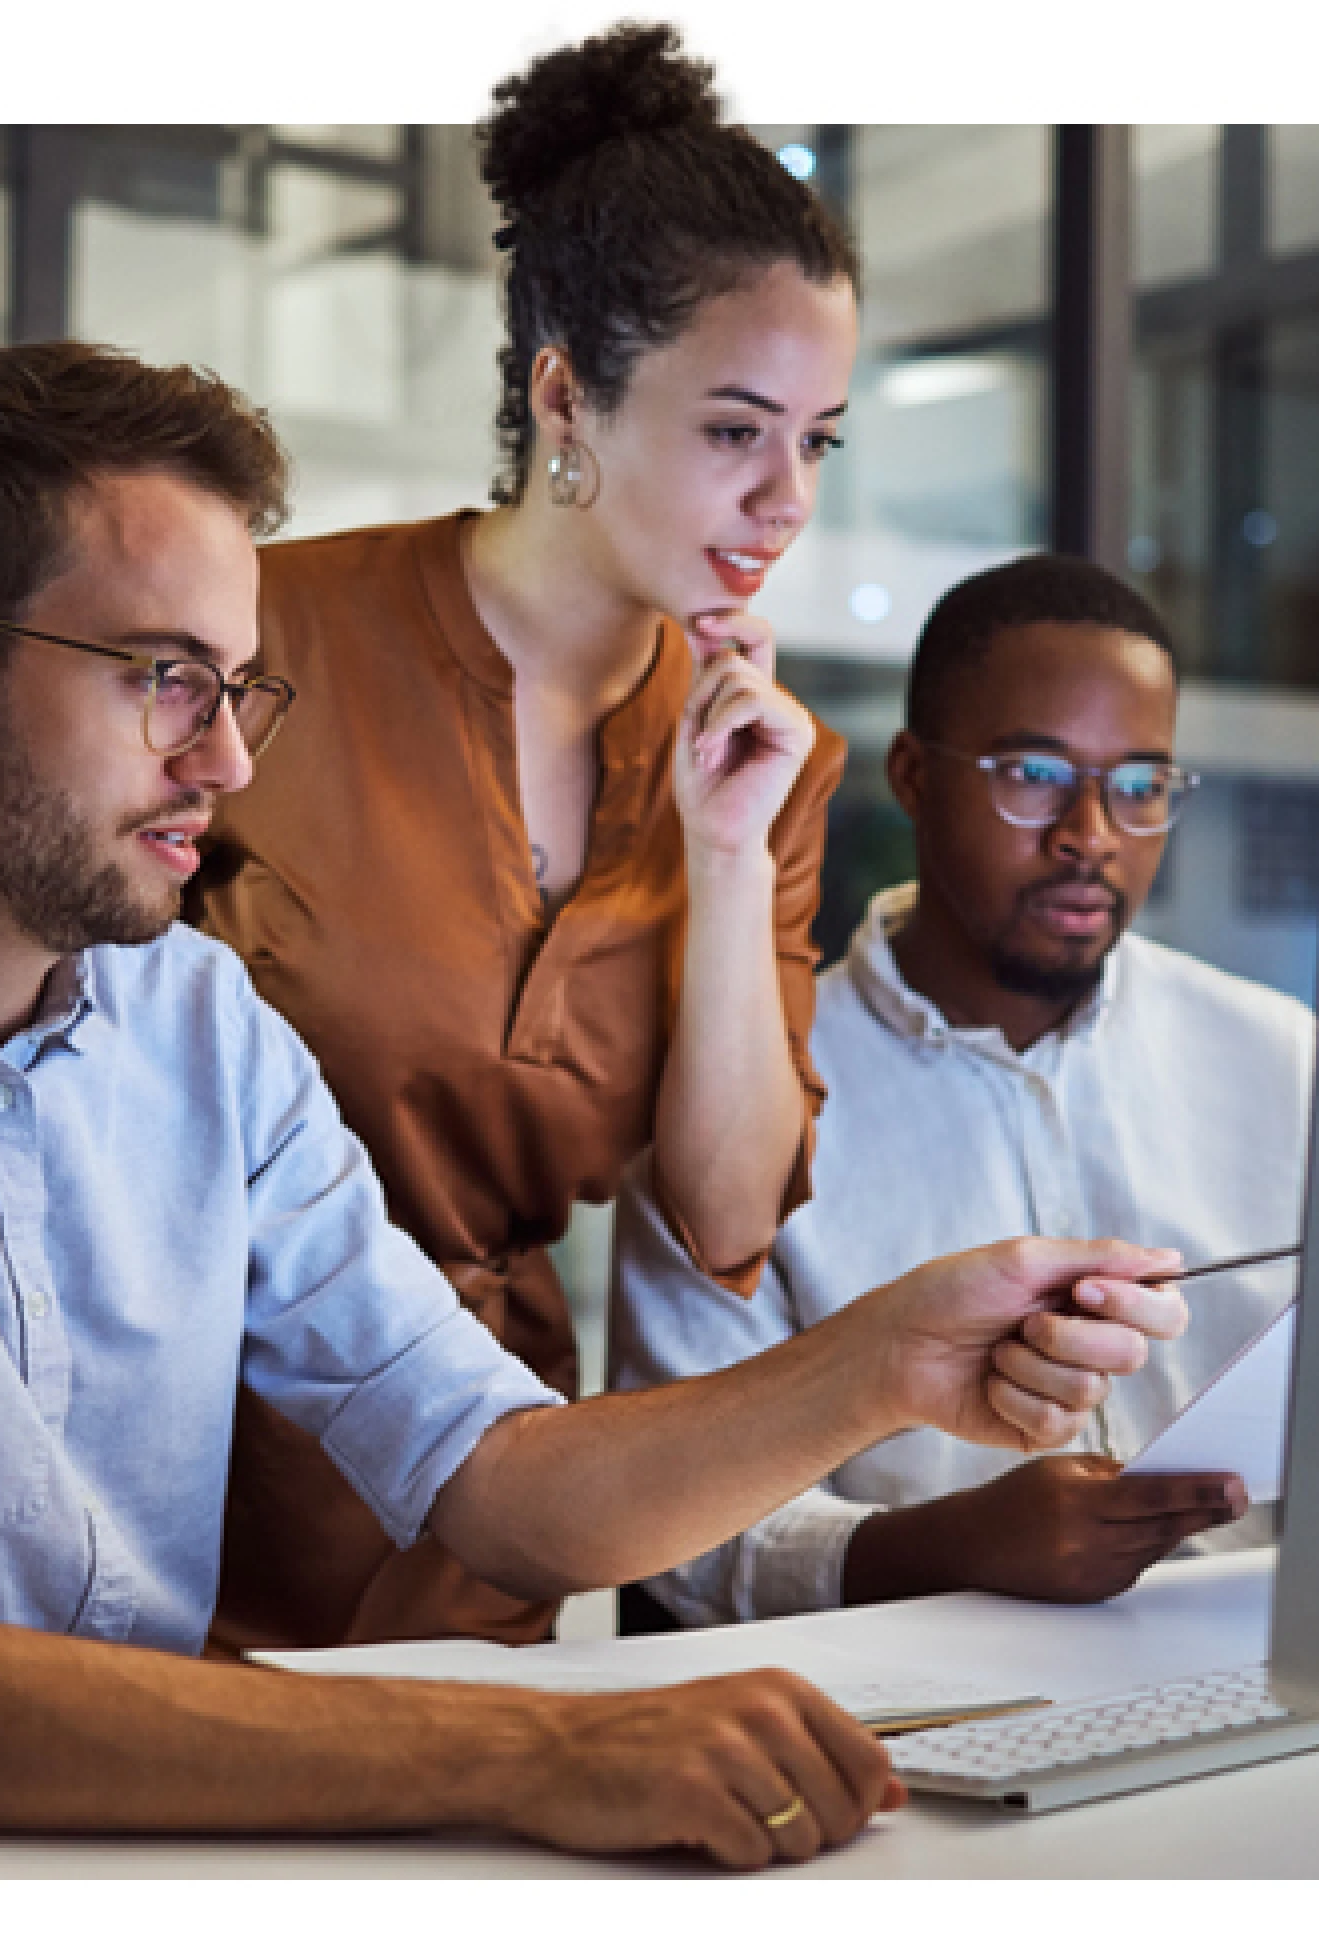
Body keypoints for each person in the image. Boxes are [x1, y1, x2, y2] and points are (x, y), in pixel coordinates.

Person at [0, 339, 1195, 1865]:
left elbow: (499, 1476)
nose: (223, 759)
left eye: (235, 688)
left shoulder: (202, 1026)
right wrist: (529, 1742)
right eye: (161, 678)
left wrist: (888, 1360)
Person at [184, 21, 864, 1653]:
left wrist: (718, 847)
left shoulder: (765, 763)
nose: (787, 502)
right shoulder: (265, 629)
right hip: (180, 1473)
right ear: (566, 391)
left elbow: (720, 1219)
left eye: (817, 440)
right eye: (733, 429)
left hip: (496, 1504)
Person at [610, 554, 1317, 1626]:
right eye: (1032, 774)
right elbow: (669, 1530)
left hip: (1257, 1659)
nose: (1090, 833)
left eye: (1138, 786)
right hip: (912, 1704)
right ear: (911, 776)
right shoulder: (739, 1099)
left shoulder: (1277, 1057)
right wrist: (946, 1545)